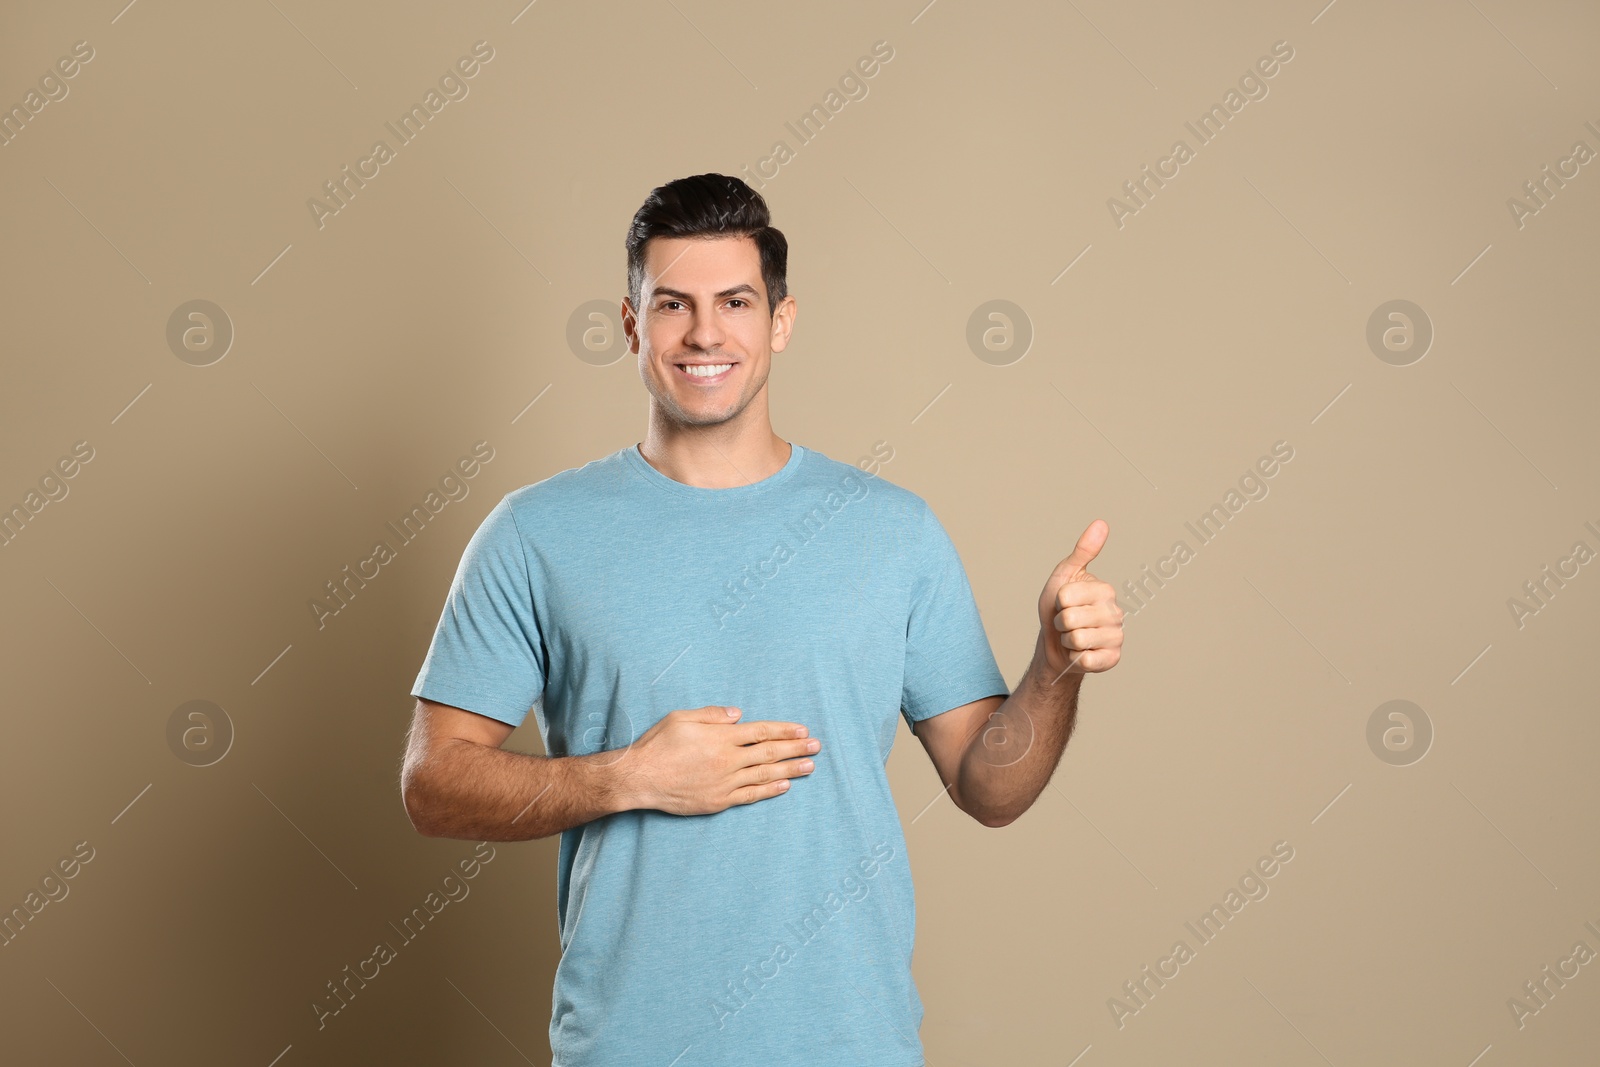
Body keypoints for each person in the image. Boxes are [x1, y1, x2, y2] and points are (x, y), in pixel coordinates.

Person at [400, 172, 1124, 1066]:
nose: (705, 332)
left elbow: (991, 788)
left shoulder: (892, 530)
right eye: (673, 304)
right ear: (632, 326)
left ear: (780, 321)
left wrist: (1055, 665)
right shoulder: (535, 533)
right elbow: (432, 786)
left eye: (735, 302)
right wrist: (629, 776)